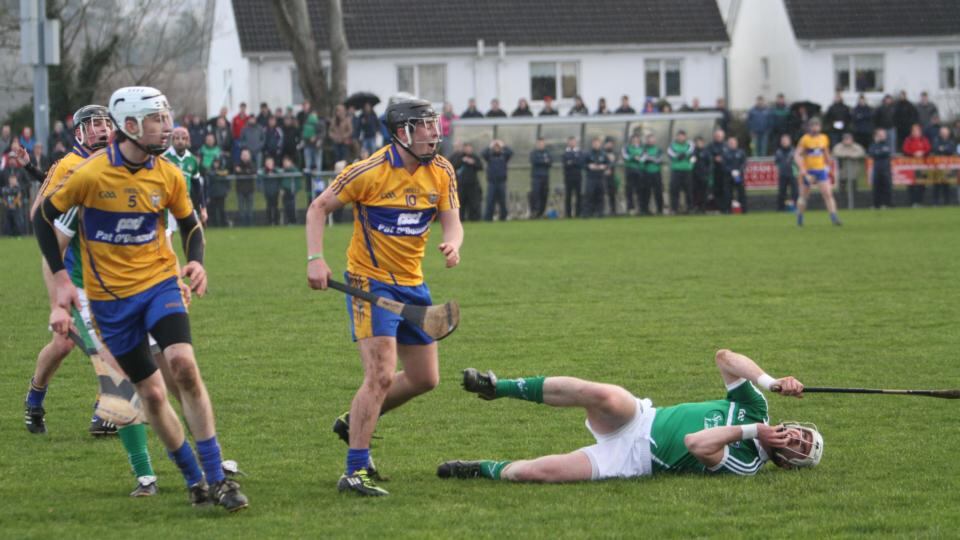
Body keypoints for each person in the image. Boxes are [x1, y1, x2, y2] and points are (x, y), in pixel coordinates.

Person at [33, 87, 248, 510]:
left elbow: (189, 224)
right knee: (147, 394)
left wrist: (197, 261)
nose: (168, 126)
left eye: (167, 116)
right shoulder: (90, 175)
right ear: (130, 126)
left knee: (183, 366)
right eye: (157, 118)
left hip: (159, 287)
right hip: (111, 303)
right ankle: (193, 479)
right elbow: (44, 220)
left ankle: (217, 476)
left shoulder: (168, 173)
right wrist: (60, 286)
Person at [305, 98, 462, 497]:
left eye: (434, 123)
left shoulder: (442, 171)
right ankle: (354, 471)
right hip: (368, 282)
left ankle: (352, 420)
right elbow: (319, 207)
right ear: (401, 132)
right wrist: (315, 259)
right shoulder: (369, 171)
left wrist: (453, 244)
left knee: (426, 378)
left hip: (413, 284)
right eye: (423, 125)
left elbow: (453, 223)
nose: (433, 131)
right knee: (378, 374)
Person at [438, 349, 822, 482]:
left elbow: (696, 444)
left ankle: (479, 468)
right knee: (601, 393)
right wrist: (770, 382)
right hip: (641, 419)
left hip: (633, 459)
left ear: (786, 463)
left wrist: (753, 431)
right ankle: (498, 386)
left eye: (798, 448)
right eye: (802, 434)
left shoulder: (746, 463)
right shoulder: (756, 406)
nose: (794, 438)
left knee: (531, 473)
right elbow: (725, 358)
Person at [794, 118, 841, 226]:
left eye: (817, 126)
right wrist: (803, 170)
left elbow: (826, 153)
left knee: (828, 194)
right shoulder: (805, 139)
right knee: (804, 196)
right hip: (809, 171)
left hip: (820, 170)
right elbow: (797, 154)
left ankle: (834, 217)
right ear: (809, 127)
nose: (815, 128)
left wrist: (829, 166)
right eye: (813, 126)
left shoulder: (824, 138)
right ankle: (800, 217)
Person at [163, 127, 207, 226]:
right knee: (167, 237)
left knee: (197, 237)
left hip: (185, 203)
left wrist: (203, 209)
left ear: (188, 140)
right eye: (177, 138)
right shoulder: (164, 158)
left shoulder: (192, 160)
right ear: (172, 140)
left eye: (183, 138)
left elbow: (197, 186)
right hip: (168, 206)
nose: (180, 141)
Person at [451, 142, 483, 221]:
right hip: (461, 184)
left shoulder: (474, 157)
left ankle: (474, 219)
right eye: (466, 148)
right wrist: (462, 160)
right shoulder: (459, 157)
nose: (468, 149)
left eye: (469, 148)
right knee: (461, 202)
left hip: (473, 185)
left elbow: (480, 167)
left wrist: (473, 163)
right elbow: (453, 166)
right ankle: (460, 219)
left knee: (474, 203)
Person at [832, 133, 866, 208]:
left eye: (849, 139)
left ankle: (855, 204)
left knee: (854, 190)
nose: (847, 141)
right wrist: (847, 155)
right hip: (842, 173)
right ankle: (841, 205)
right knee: (842, 190)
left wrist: (851, 156)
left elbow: (861, 153)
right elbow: (836, 153)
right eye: (845, 139)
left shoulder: (856, 146)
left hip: (853, 173)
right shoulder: (838, 146)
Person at [481, 139, 512, 221]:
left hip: (502, 182)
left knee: (502, 201)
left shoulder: (504, 156)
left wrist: (503, 145)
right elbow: (483, 153)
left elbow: (511, 152)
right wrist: (490, 146)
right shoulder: (489, 156)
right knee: (490, 200)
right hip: (491, 182)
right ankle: (488, 218)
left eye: (498, 147)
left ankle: (503, 217)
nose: (497, 148)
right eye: (495, 147)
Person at [902, 123, 931, 207]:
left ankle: (920, 201)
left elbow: (928, 149)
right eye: (914, 130)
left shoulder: (924, 139)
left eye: (918, 130)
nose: (916, 132)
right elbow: (905, 150)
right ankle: (912, 202)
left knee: (922, 184)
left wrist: (922, 153)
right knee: (911, 185)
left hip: (922, 165)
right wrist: (913, 154)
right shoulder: (908, 140)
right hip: (911, 166)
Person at [667, 130, 695, 214]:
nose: (681, 138)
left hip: (687, 170)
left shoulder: (689, 144)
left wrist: (683, 155)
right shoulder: (672, 145)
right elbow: (672, 155)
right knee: (674, 190)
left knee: (688, 191)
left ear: (685, 137)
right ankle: (674, 209)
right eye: (679, 136)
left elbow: (691, 152)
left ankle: (690, 208)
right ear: (677, 137)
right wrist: (681, 155)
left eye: (682, 136)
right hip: (676, 170)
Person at [581, 137, 609, 218]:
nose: (596, 145)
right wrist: (589, 166)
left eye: (598, 143)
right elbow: (582, 164)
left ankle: (600, 213)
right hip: (591, 178)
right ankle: (586, 213)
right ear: (592, 144)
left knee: (600, 195)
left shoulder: (603, 154)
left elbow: (609, 164)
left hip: (600, 177)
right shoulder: (588, 154)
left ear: (600, 144)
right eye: (594, 143)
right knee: (589, 195)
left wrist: (604, 167)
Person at [867, 128, 894, 209]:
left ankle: (887, 204)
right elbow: (871, 153)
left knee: (887, 186)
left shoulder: (888, 144)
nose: (882, 136)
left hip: (886, 168)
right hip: (877, 168)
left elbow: (886, 153)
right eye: (880, 134)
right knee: (876, 187)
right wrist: (879, 152)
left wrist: (878, 153)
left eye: (883, 134)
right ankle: (876, 205)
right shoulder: (874, 144)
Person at [638, 134, 663, 216]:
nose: (651, 141)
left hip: (656, 173)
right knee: (646, 193)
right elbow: (641, 160)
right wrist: (649, 159)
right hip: (646, 173)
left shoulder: (658, 149)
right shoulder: (644, 149)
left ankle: (660, 210)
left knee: (658, 192)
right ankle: (645, 210)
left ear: (655, 141)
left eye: (652, 139)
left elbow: (658, 160)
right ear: (647, 141)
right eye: (649, 140)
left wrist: (649, 158)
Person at [930, 126, 955, 206]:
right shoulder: (936, 140)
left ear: (948, 133)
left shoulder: (951, 141)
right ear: (940, 133)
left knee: (946, 184)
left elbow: (951, 150)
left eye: (945, 133)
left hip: (947, 167)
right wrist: (944, 149)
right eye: (943, 133)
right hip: (938, 166)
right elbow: (935, 148)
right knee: (937, 184)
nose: (944, 134)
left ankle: (947, 202)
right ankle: (935, 202)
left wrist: (942, 149)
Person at [527, 138, 552, 218]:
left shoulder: (547, 152)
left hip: (545, 177)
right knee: (535, 194)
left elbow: (550, 162)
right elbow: (534, 161)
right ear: (537, 144)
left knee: (544, 194)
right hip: (536, 177)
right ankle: (535, 212)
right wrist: (544, 161)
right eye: (539, 143)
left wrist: (543, 161)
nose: (541, 145)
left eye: (542, 143)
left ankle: (541, 212)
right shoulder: (533, 153)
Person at [774, 134, 798, 211]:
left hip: (792, 174)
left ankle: (796, 207)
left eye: (786, 140)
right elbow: (776, 162)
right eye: (783, 141)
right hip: (782, 174)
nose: (784, 142)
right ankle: (781, 208)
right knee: (782, 192)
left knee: (795, 192)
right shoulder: (778, 152)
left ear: (789, 141)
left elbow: (798, 162)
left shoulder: (794, 151)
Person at [723, 137, 747, 213]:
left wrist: (738, 171)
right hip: (728, 176)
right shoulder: (725, 153)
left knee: (741, 192)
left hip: (738, 176)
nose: (732, 144)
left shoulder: (741, 152)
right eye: (730, 143)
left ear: (736, 143)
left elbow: (744, 163)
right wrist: (731, 171)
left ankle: (744, 209)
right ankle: (728, 210)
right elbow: (724, 164)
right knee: (728, 193)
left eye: (733, 143)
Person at [233, 148, 256, 226]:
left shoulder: (252, 164)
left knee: (250, 209)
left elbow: (253, 171)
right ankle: (242, 224)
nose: (245, 156)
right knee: (241, 209)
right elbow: (236, 171)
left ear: (249, 156)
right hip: (240, 189)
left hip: (250, 189)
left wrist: (242, 171)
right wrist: (247, 172)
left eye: (246, 155)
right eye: (243, 155)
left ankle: (250, 224)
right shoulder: (237, 164)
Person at [622, 134, 644, 215]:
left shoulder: (642, 148)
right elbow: (625, 157)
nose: (635, 141)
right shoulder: (627, 148)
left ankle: (641, 208)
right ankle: (631, 209)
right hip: (630, 171)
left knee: (640, 190)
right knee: (629, 190)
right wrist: (633, 157)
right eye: (634, 139)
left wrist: (638, 159)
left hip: (640, 171)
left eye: (637, 139)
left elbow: (643, 158)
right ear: (631, 140)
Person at [562, 137, 582, 218]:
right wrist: (574, 162)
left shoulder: (580, 152)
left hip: (578, 177)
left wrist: (571, 162)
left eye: (573, 141)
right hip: (568, 177)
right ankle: (568, 214)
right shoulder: (565, 153)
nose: (572, 143)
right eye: (570, 142)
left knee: (578, 195)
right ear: (568, 143)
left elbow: (580, 163)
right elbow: (565, 164)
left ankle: (578, 213)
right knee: (568, 196)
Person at [708, 129, 727, 212]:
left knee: (725, 189)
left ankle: (725, 207)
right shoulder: (710, 146)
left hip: (724, 171)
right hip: (714, 171)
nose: (718, 137)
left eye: (720, 136)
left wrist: (723, 159)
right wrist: (714, 158)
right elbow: (707, 156)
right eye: (717, 136)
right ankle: (717, 207)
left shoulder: (726, 146)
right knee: (716, 190)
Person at [279, 155, 301, 225]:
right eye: (284, 162)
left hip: (291, 192)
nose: (285, 164)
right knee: (286, 207)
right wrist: (281, 189)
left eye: (286, 162)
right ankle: (288, 221)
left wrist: (295, 190)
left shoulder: (294, 170)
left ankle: (293, 221)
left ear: (290, 162)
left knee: (292, 207)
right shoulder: (282, 171)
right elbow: (281, 181)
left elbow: (298, 182)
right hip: (285, 192)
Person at [691, 136, 711, 214]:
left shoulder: (706, 152)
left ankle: (703, 208)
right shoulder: (693, 152)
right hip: (694, 175)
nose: (699, 144)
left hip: (703, 175)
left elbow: (709, 163)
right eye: (697, 142)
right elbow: (691, 162)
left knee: (704, 192)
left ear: (703, 143)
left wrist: (707, 172)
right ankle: (696, 207)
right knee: (695, 192)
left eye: (700, 142)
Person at [261, 155, 281, 225]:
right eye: (268, 163)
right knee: (269, 206)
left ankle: (276, 221)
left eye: (270, 162)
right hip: (267, 191)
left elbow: (281, 173)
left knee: (275, 206)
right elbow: (259, 174)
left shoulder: (276, 170)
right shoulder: (263, 171)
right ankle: (269, 221)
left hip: (275, 191)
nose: (269, 164)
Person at [602, 137, 619, 215]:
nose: (609, 145)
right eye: (608, 143)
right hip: (602, 176)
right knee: (602, 194)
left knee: (612, 194)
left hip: (612, 176)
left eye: (611, 144)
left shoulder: (614, 153)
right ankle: (601, 211)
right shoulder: (601, 153)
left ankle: (613, 211)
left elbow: (615, 162)